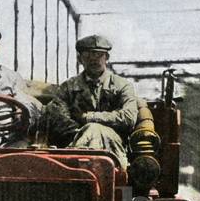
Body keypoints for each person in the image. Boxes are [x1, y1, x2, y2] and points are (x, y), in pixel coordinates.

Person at [45, 34, 139, 168]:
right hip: (75, 139)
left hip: (112, 145)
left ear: (107, 57)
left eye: (99, 55)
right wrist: (85, 131)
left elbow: (128, 118)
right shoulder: (68, 87)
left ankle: (76, 168)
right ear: (79, 59)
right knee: (91, 129)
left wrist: (90, 117)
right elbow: (59, 121)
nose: (94, 60)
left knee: (93, 128)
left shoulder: (122, 85)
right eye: (88, 55)